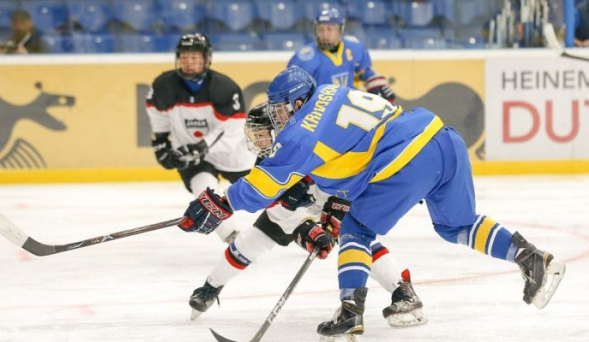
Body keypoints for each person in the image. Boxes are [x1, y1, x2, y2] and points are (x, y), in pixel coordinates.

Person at [178, 66, 566, 340]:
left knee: (357, 230)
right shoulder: (331, 92)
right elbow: (352, 156)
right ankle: (530, 258)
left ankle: (350, 313)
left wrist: (217, 202)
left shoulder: (301, 130)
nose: (279, 118)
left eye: (281, 109)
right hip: (441, 138)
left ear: (296, 104)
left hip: (404, 158)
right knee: (457, 225)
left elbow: (261, 187)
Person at [186, 103, 427, 328]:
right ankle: (210, 288)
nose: (257, 140)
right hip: (296, 211)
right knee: (252, 240)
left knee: (356, 239)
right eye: (255, 134)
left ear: (277, 130)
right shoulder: (268, 159)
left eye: (261, 133)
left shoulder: (303, 141)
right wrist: (307, 228)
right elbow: (277, 208)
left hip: (332, 199)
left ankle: (401, 291)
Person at [146, 33, 257, 243]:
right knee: (202, 187)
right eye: (185, 57)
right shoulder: (163, 86)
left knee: (261, 190)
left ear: (206, 59)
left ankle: (298, 225)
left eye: (195, 57)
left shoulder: (224, 87)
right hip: (192, 153)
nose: (189, 63)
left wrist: (201, 146)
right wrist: (161, 143)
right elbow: (158, 116)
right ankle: (232, 236)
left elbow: (232, 130)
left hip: (232, 153)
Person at [288, 7, 395, 103]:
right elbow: (293, 91)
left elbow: (365, 73)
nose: (325, 34)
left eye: (330, 29)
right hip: (320, 112)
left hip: (351, 104)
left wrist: (378, 84)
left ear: (340, 30)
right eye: (321, 29)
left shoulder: (354, 47)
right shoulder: (303, 58)